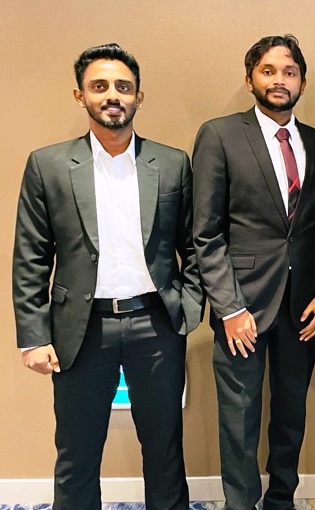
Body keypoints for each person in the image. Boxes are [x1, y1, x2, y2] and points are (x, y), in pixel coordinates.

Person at [12, 43, 203, 510]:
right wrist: (33, 337)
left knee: (164, 451)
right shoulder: (48, 165)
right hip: (81, 329)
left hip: (156, 325)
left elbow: (195, 244)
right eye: (99, 86)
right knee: (76, 454)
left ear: (139, 97)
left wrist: (189, 305)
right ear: (80, 95)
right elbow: (31, 257)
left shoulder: (172, 163)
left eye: (123, 86)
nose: (112, 95)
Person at [192, 35, 315, 510]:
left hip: (302, 307)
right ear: (250, 78)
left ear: (302, 82)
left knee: (291, 412)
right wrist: (229, 307)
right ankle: (241, 503)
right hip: (242, 306)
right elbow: (205, 233)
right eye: (268, 71)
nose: (279, 80)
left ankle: (281, 500)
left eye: (289, 72)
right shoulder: (219, 135)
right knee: (239, 417)